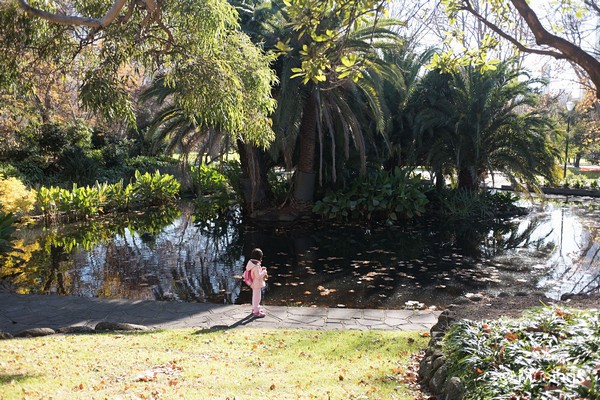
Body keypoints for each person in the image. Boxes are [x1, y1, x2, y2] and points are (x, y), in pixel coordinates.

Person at [246, 248, 268, 317]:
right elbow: (258, 276)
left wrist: (261, 269)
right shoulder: (256, 266)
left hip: (253, 283)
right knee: (257, 297)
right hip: (256, 284)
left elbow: (255, 273)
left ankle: (254, 309)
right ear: (260, 257)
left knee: (255, 296)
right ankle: (256, 311)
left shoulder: (251, 264)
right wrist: (264, 272)